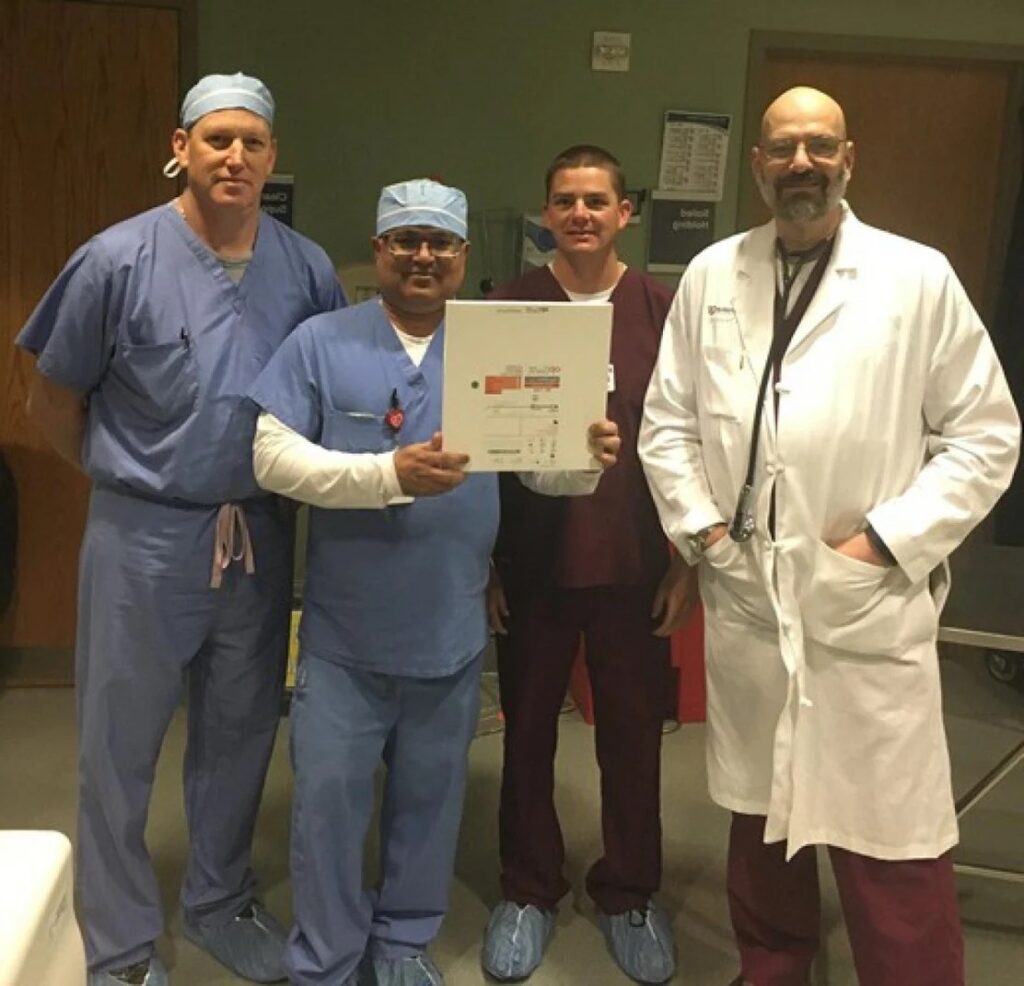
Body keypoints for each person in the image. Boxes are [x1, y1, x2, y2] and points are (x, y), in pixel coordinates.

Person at [639, 86, 1021, 986]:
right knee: (761, 819)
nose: (800, 163)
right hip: (748, 596)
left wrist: (884, 544)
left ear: (849, 159)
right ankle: (774, 966)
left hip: (861, 605)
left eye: (819, 146)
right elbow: (668, 424)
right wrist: (701, 529)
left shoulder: (914, 277)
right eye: (783, 148)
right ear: (760, 165)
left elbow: (986, 434)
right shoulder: (712, 275)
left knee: (891, 835)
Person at [247, 178, 621, 986]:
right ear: (379, 250)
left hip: (449, 632)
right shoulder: (320, 341)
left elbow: (544, 475)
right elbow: (271, 459)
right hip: (346, 636)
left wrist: (583, 456)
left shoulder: (499, 345)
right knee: (330, 806)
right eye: (406, 239)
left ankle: (403, 942)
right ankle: (326, 956)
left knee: (430, 799)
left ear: (462, 257)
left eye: (441, 243)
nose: (423, 255)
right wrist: (388, 473)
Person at [16, 73, 345, 986]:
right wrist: (124, 479)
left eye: (252, 141)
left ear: (274, 155)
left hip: (260, 534)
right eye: (217, 140)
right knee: (117, 744)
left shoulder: (306, 268)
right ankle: (120, 944)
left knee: (241, 731)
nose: (234, 156)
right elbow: (47, 392)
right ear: (183, 146)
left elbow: (326, 395)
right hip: (144, 538)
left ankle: (216, 900)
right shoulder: (116, 259)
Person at [480, 145, 693, 985]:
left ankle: (630, 893)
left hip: (635, 565)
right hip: (529, 565)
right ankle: (528, 889)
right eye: (564, 200)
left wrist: (689, 566)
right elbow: (483, 454)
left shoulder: (662, 311)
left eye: (595, 200)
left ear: (624, 211)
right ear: (545, 213)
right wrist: (487, 563)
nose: (579, 215)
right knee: (526, 734)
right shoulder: (507, 308)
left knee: (634, 741)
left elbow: (694, 444)